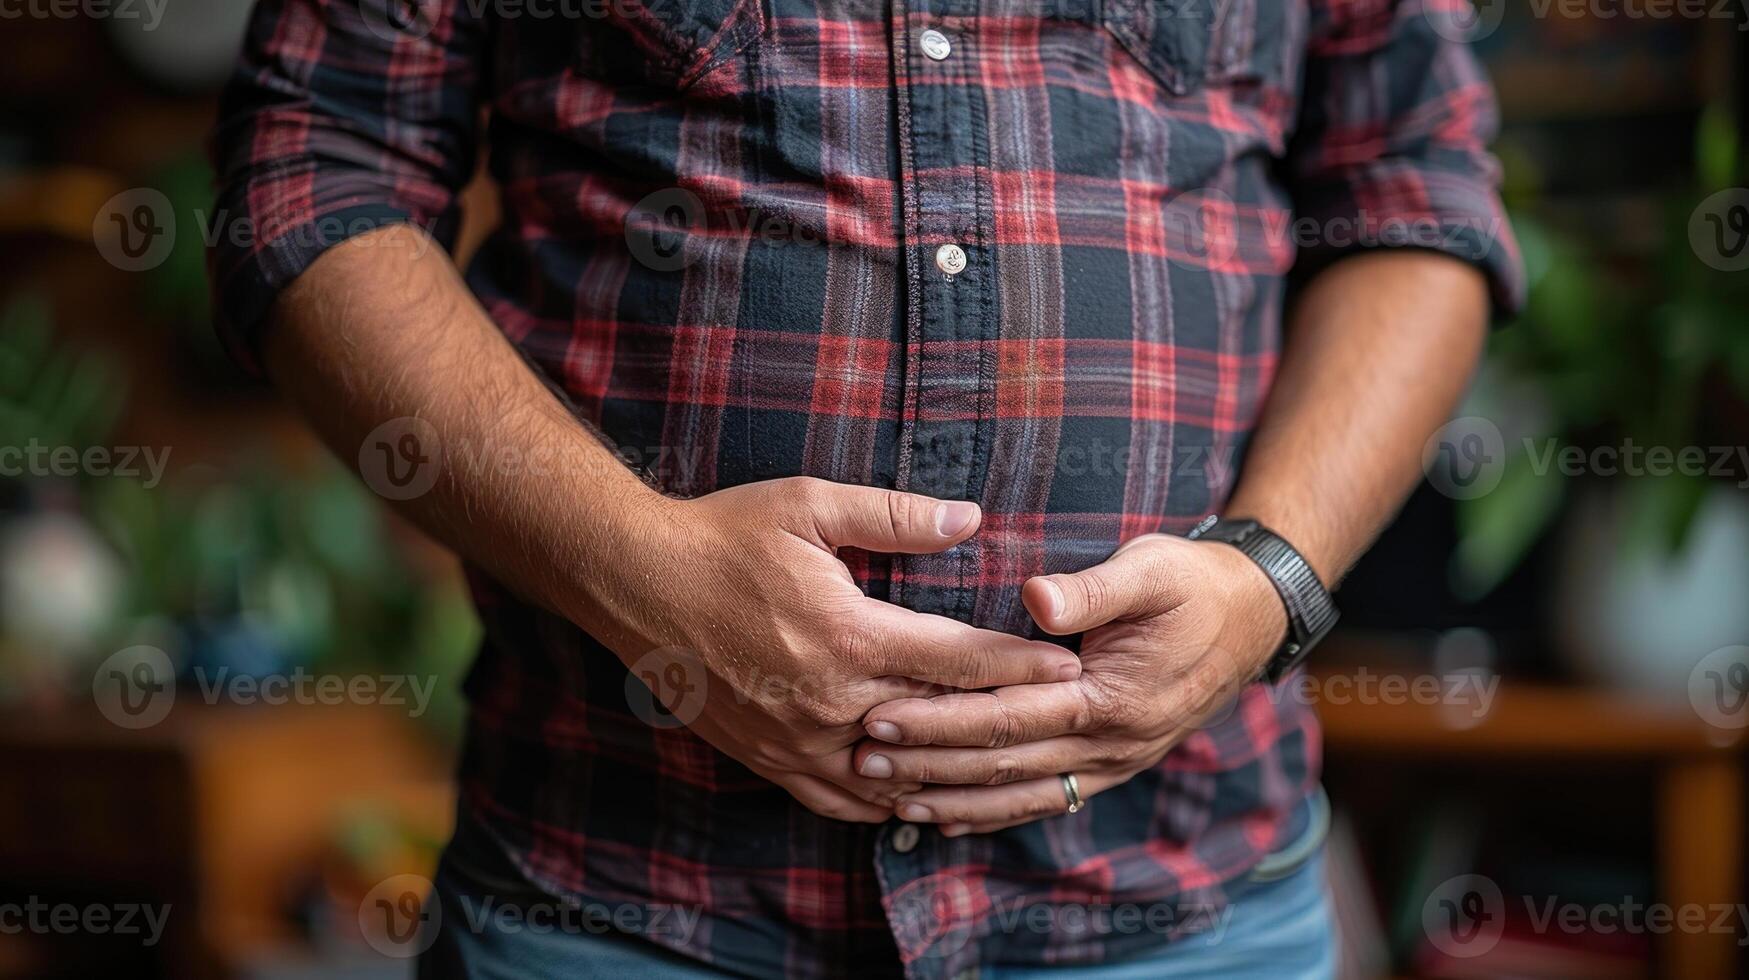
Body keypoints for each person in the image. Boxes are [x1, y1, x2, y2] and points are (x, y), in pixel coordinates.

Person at [208, 0, 1521, 975]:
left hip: (1186, 902)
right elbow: (314, 168)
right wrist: (640, 575)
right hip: (623, 900)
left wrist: (1266, 575)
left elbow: (1412, 190)